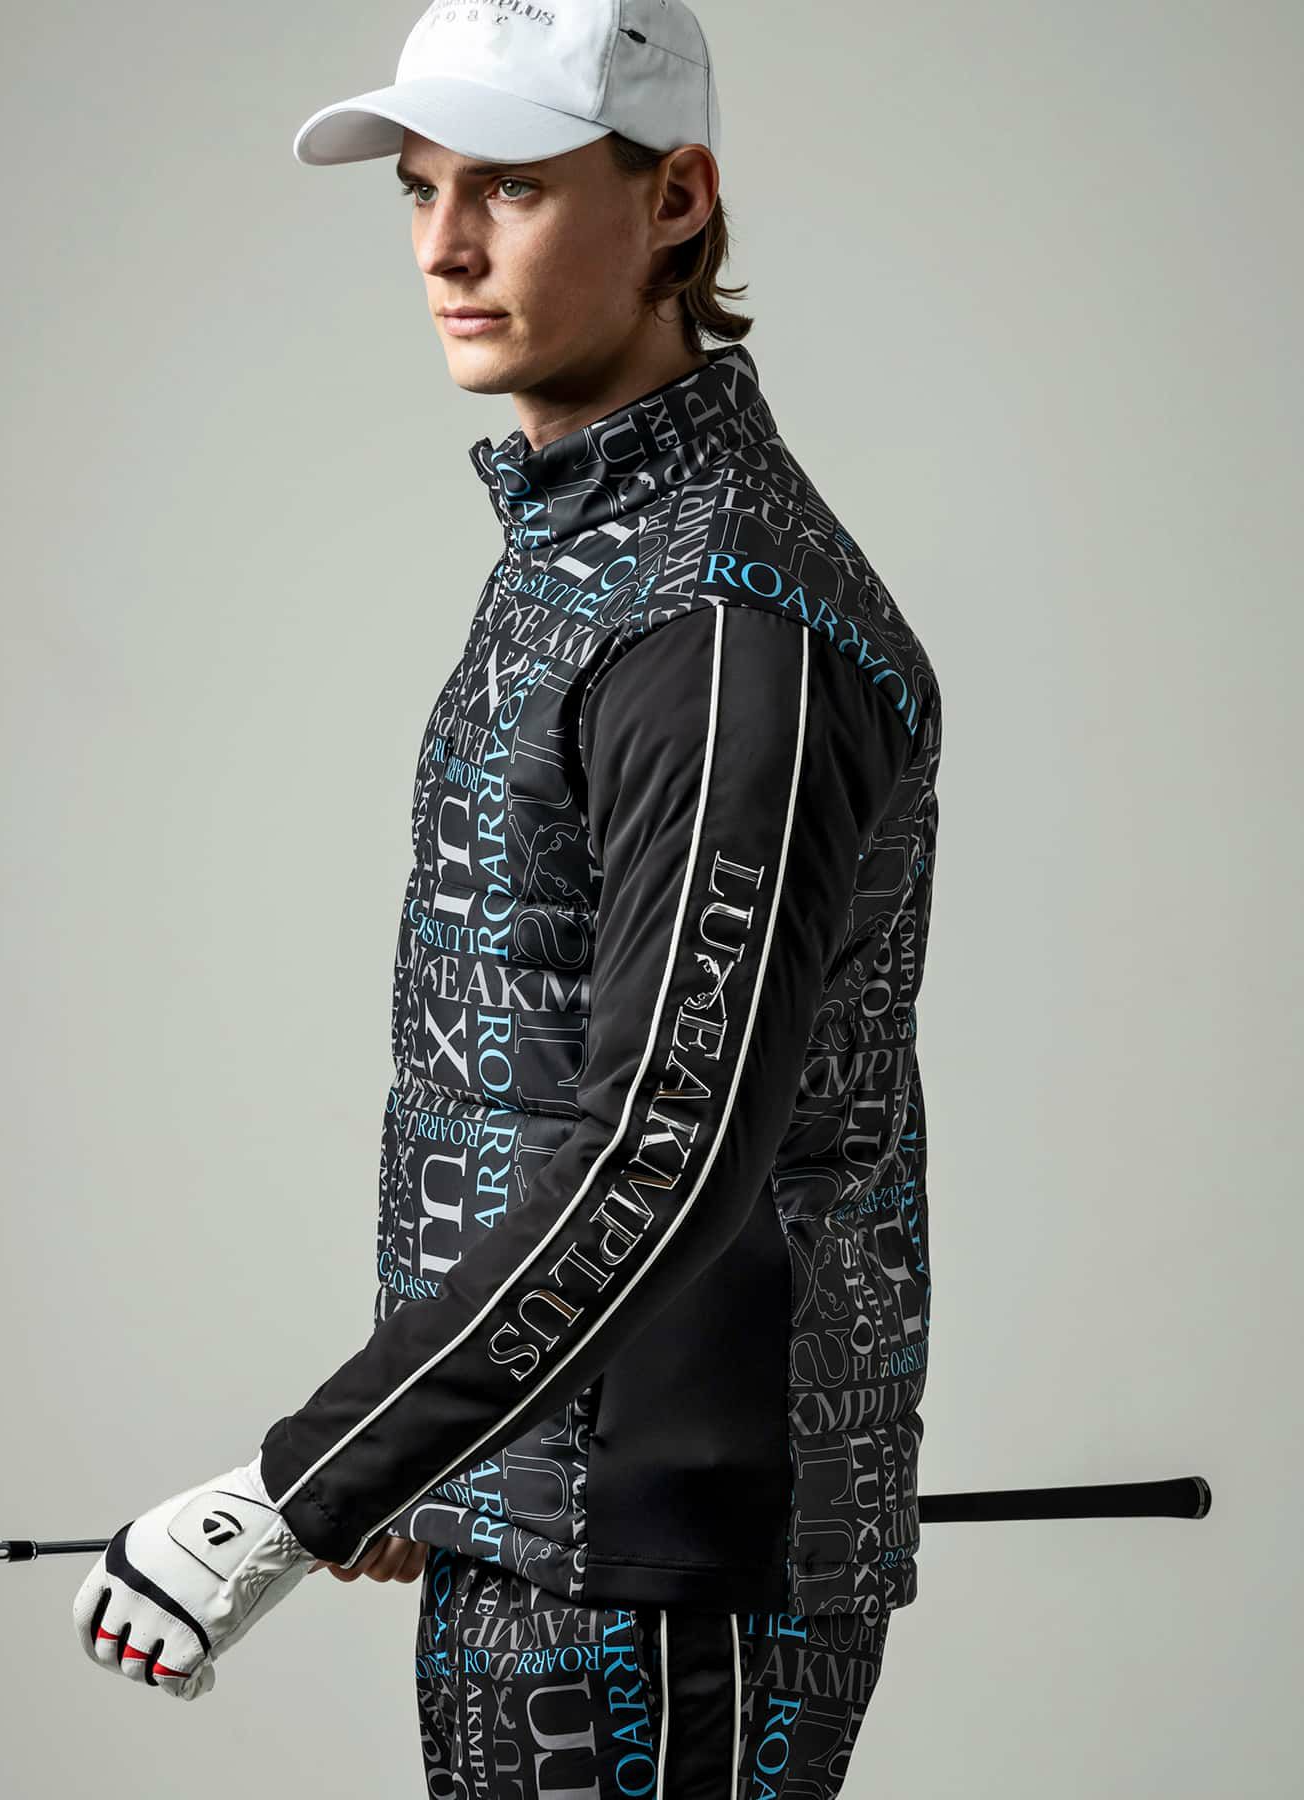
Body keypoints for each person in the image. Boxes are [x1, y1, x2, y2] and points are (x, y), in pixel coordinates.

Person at [72, 3, 941, 1793]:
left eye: (515, 189)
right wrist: (434, 1459)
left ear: (677, 198)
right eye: (421, 190)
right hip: (552, 1528)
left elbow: (666, 1145)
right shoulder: (589, 554)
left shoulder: (721, 625)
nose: (447, 248)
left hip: (667, 1580)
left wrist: (306, 1487)